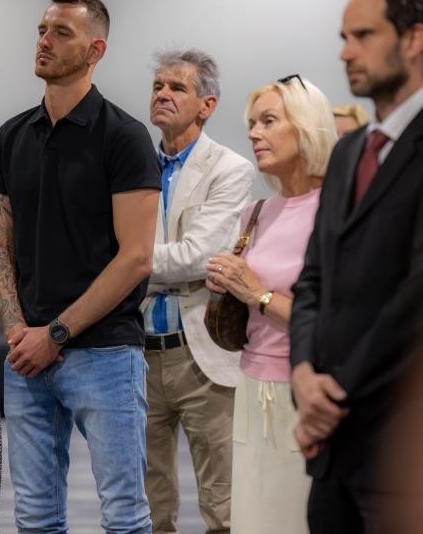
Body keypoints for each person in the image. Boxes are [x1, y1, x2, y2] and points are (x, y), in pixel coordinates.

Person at [287, 0, 423, 534]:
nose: (345, 52)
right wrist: (302, 375)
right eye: (343, 37)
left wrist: (333, 396)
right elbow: (313, 279)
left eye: (363, 36)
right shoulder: (350, 151)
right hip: (332, 450)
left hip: (402, 444)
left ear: (413, 39)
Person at [0, 0, 160, 533]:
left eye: (61, 32)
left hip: (104, 352)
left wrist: (56, 334)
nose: (44, 41)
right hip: (26, 356)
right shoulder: (12, 135)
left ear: (95, 50)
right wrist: (17, 329)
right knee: (35, 518)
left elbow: (136, 258)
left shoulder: (125, 137)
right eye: (42, 29)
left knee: (124, 516)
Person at [205, 75, 336, 534]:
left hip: (307, 393)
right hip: (250, 387)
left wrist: (255, 294)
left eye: (268, 121)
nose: (253, 133)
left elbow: (333, 325)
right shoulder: (256, 212)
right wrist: (227, 285)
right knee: (253, 520)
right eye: (251, 123)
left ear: (305, 126)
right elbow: (250, 295)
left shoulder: (338, 212)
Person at [142, 48, 253, 534]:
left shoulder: (230, 168)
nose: (162, 94)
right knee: (146, 505)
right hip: (137, 352)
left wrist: (129, 265)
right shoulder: (129, 167)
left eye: (177, 87)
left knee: (222, 505)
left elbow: (200, 256)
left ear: (207, 105)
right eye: (158, 86)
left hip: (201, 353)